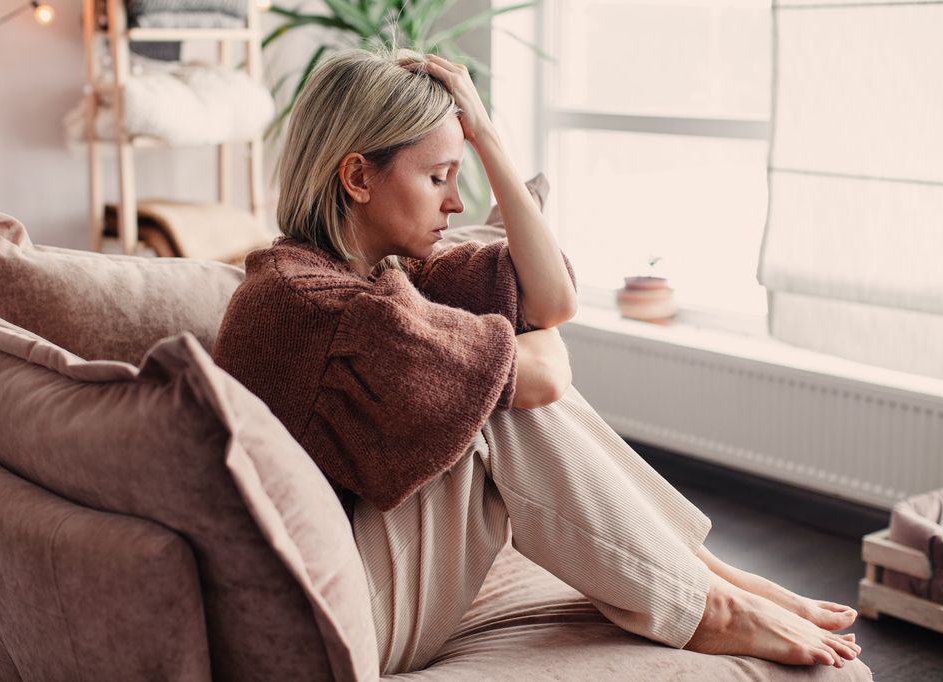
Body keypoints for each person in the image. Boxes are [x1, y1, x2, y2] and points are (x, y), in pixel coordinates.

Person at [211, 47, 862, 675]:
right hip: (327, 624)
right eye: (438, 177)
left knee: (489, 380)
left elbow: (554, 300)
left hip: (356, 581)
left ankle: (705, 573)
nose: (456, 203)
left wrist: (487, 134)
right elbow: (547, 371)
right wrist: (515, 348)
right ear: (357, 177)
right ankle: (703, 604)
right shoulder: (314, 303)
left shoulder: (386, 274)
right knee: (496, 405)